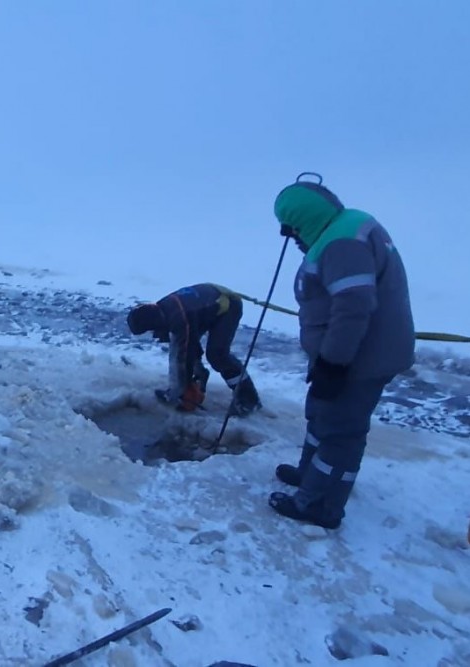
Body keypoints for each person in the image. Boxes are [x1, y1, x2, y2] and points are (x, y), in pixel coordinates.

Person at [269, 173, 415, 529]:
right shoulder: (346, 227)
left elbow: (352, 307)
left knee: (341, 430)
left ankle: (320, 504)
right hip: (344, 355)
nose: (291, 237)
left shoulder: (341, 243)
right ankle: (310, 474)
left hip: (357, 360)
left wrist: (333, 364)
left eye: (291, 227)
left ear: (304, 219)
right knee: (321, 413)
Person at [127, 283, 262, 416]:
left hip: (227, 305)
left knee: (217, 355)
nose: (153, 335)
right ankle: (198, 378)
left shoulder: (179, 318)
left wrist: (176, 392)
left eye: (150, 330)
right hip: (204, 306)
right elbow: (185, 346)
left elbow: (181, 356)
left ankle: (249, 400)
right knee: (186, 345)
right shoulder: (162, 309)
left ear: (153, 322)